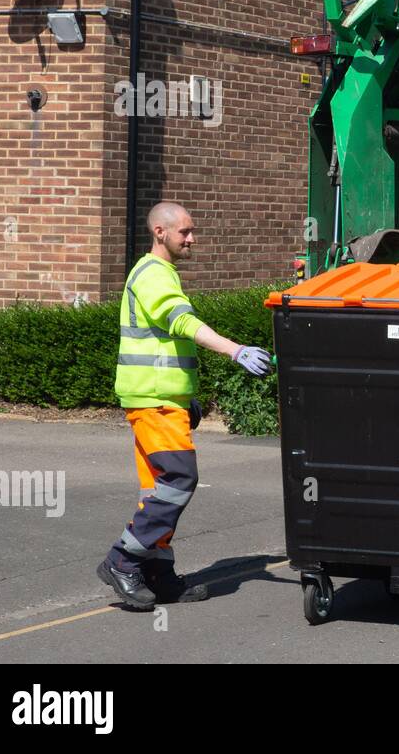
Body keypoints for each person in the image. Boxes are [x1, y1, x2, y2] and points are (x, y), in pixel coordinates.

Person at [97, 201, 272, 609]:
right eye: (185, 232)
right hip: (154, 402)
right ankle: (123, 560)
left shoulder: (157, 273)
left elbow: (162, 344)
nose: (192, 239)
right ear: (160, 232)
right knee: (178, 482)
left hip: (161, 399)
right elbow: (181, 322)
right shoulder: (154, 274)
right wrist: (236, 350)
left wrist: (185, 396)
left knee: (157, 490)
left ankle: (158, 573)